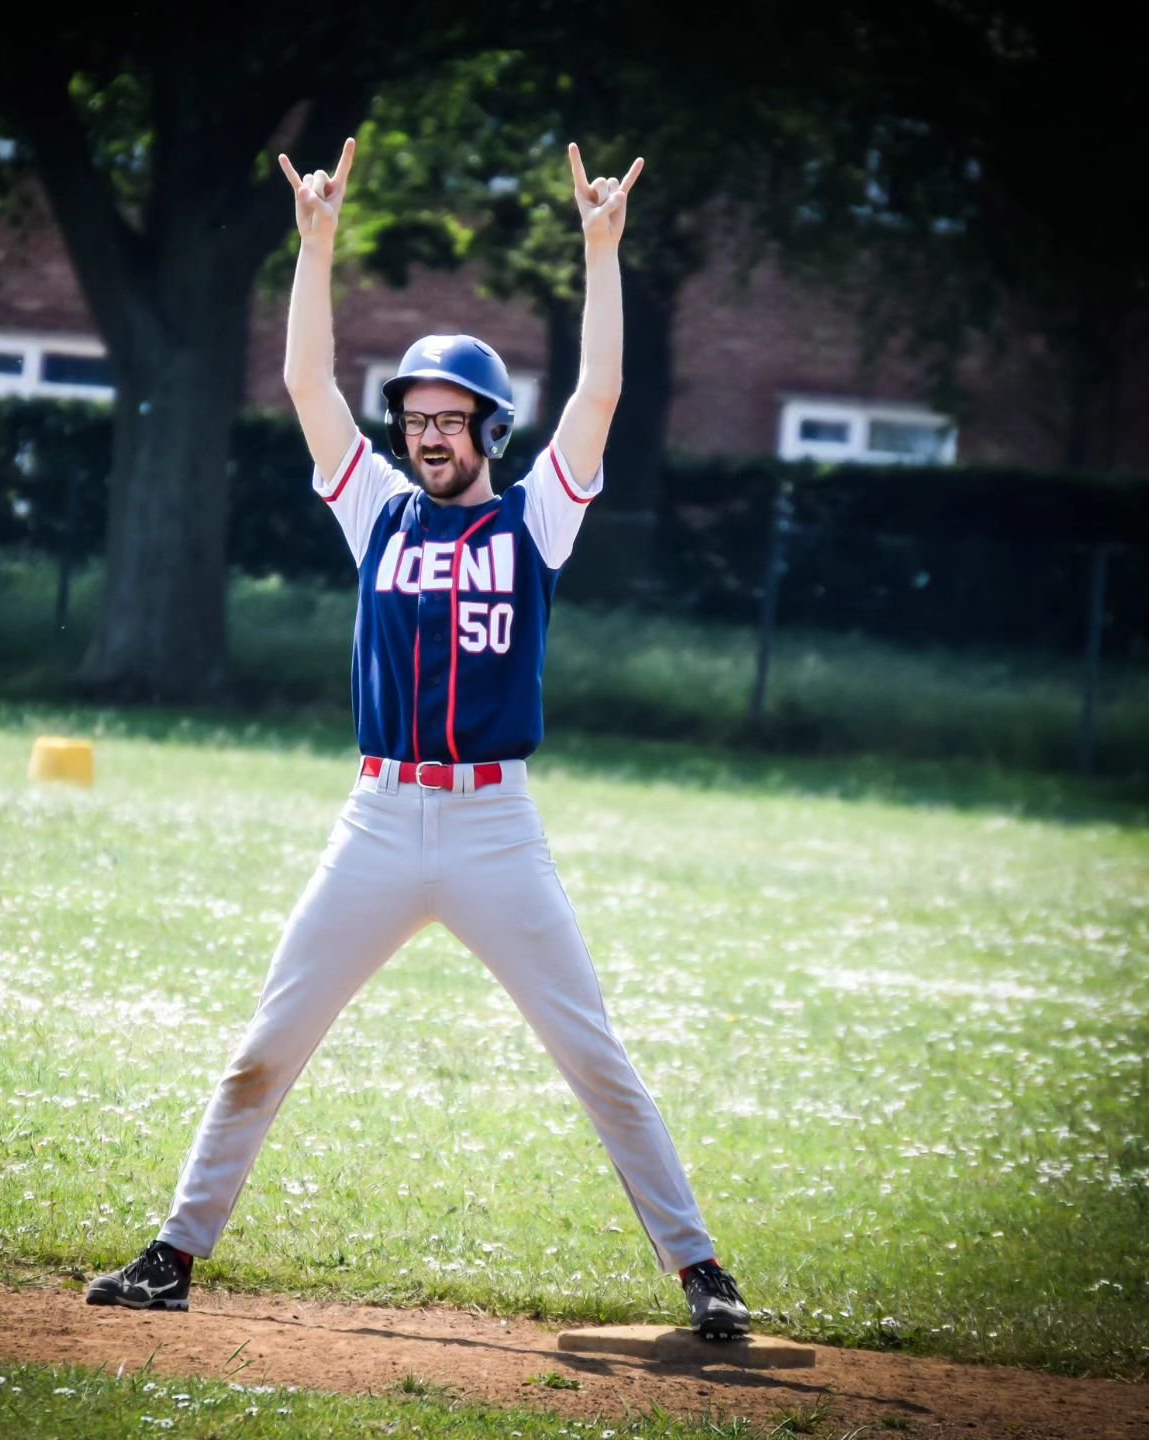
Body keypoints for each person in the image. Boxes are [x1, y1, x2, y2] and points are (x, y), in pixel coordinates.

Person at [86, 137, 751, 1340]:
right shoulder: (377, 514)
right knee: (266, 1047)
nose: (427, 434)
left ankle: (702, 1269)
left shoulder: (536, 523)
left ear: (491, 428)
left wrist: (603, 252)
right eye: (414, 416)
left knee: (593, 1054)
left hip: (495, 825)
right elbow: (304, 383)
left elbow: (598, 396)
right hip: (380, 819)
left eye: (450, 419)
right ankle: (176, 1253)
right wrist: (316, 246)